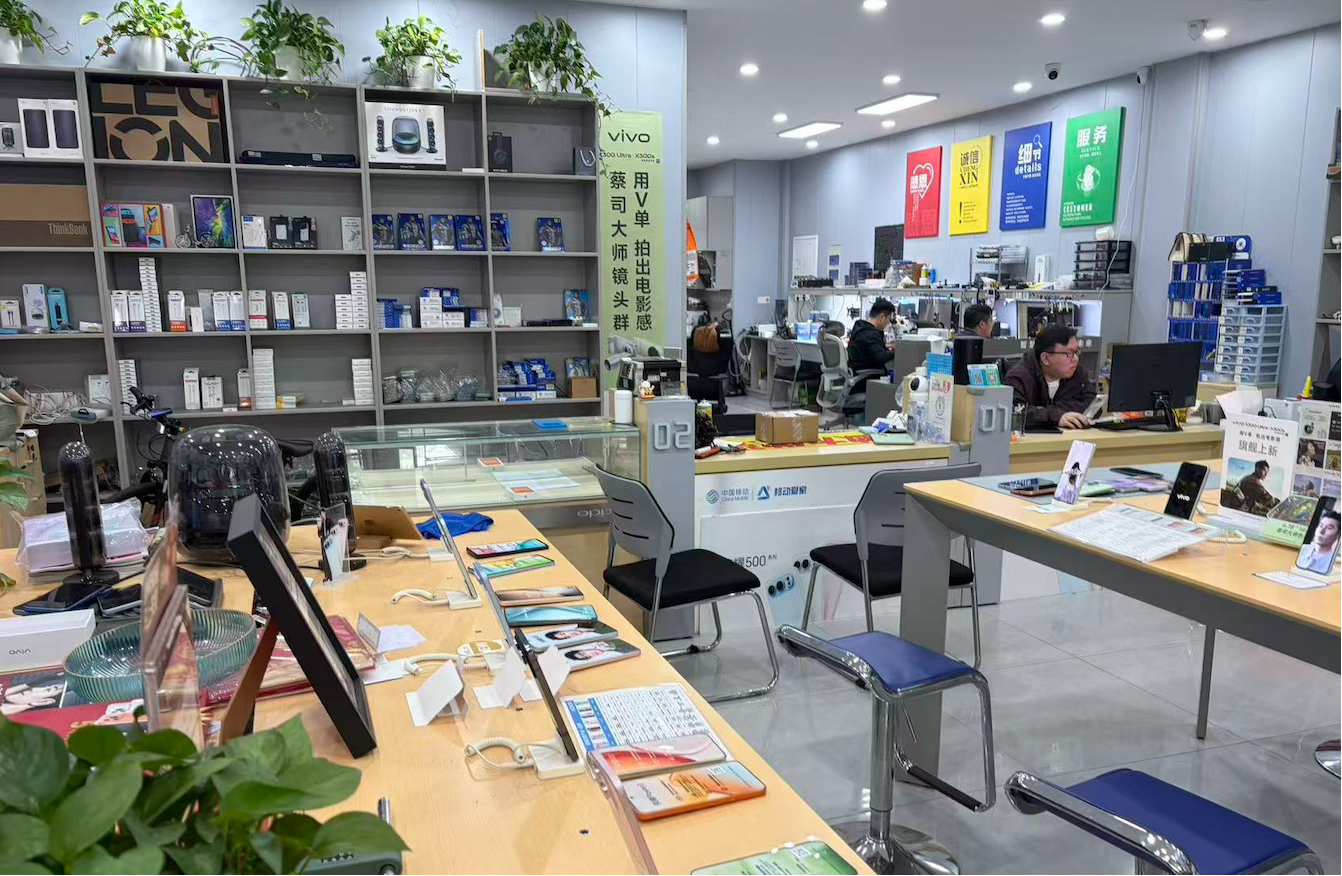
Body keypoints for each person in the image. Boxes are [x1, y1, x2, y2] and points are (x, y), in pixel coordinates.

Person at [1004, 324, 1096, 429]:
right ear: (1046, 358)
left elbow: (1092, 404)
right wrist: (1056, 416)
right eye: (1069, 353)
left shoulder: (1076, 372)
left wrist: (1053, 411)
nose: (1075, 359)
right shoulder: (1019, 377)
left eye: (1076, 352)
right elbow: (1014, 412)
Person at [847, 298, 897, 374]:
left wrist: (887, 346)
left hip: (857, 370)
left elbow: (871, 348)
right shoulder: (871, 334)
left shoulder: (861, 328)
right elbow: (880, 357)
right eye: (888, 319)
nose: (888, 323)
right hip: (867, 375)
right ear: (882, 317)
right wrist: (895, 352)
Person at [1299, 508, 1339, 574]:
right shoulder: (1302, 549)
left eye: (1329, 528)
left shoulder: (1334, 562)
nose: (1321, 531)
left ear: (1338, 535)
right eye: (1320, 525)